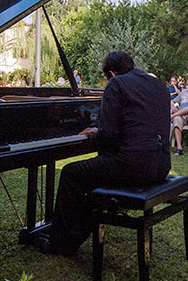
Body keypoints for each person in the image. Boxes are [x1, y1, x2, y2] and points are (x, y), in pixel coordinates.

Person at [35, 51, 170, 256]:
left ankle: (60, 245)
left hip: (133, 166)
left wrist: (96, 132)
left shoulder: (116, 84)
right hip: (161, 165)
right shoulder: (158, 85)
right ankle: (74, 233)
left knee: (71, 173)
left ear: (111, 73)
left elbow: (108, 134)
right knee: (94, 173)